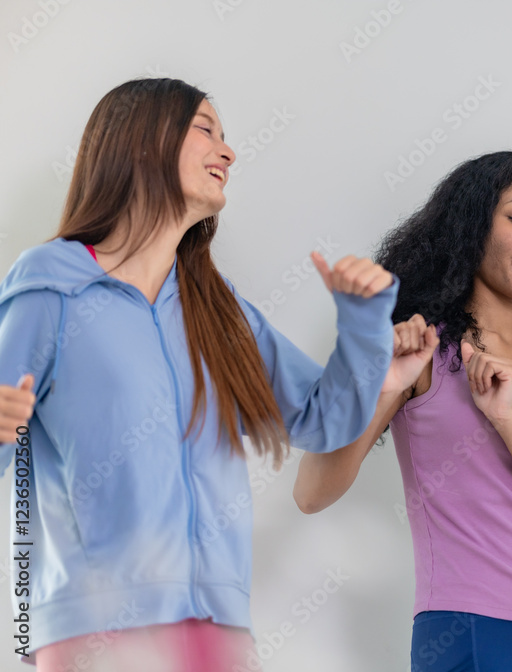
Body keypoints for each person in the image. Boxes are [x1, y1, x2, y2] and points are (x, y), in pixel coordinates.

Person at [0, 78, 398, 670]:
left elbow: (322, 421)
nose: (228, 152)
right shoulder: (50, 285)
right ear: (141, 141)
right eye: (205, 130)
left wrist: (363, 322)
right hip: (97, 625)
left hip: (220, 625)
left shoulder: (217, 307)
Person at [293, 151, 512, 672]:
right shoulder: (418, 354)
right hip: (467, 627)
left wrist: (508, 420)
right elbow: (311, 493)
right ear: (471, 227)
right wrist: (388, 384)